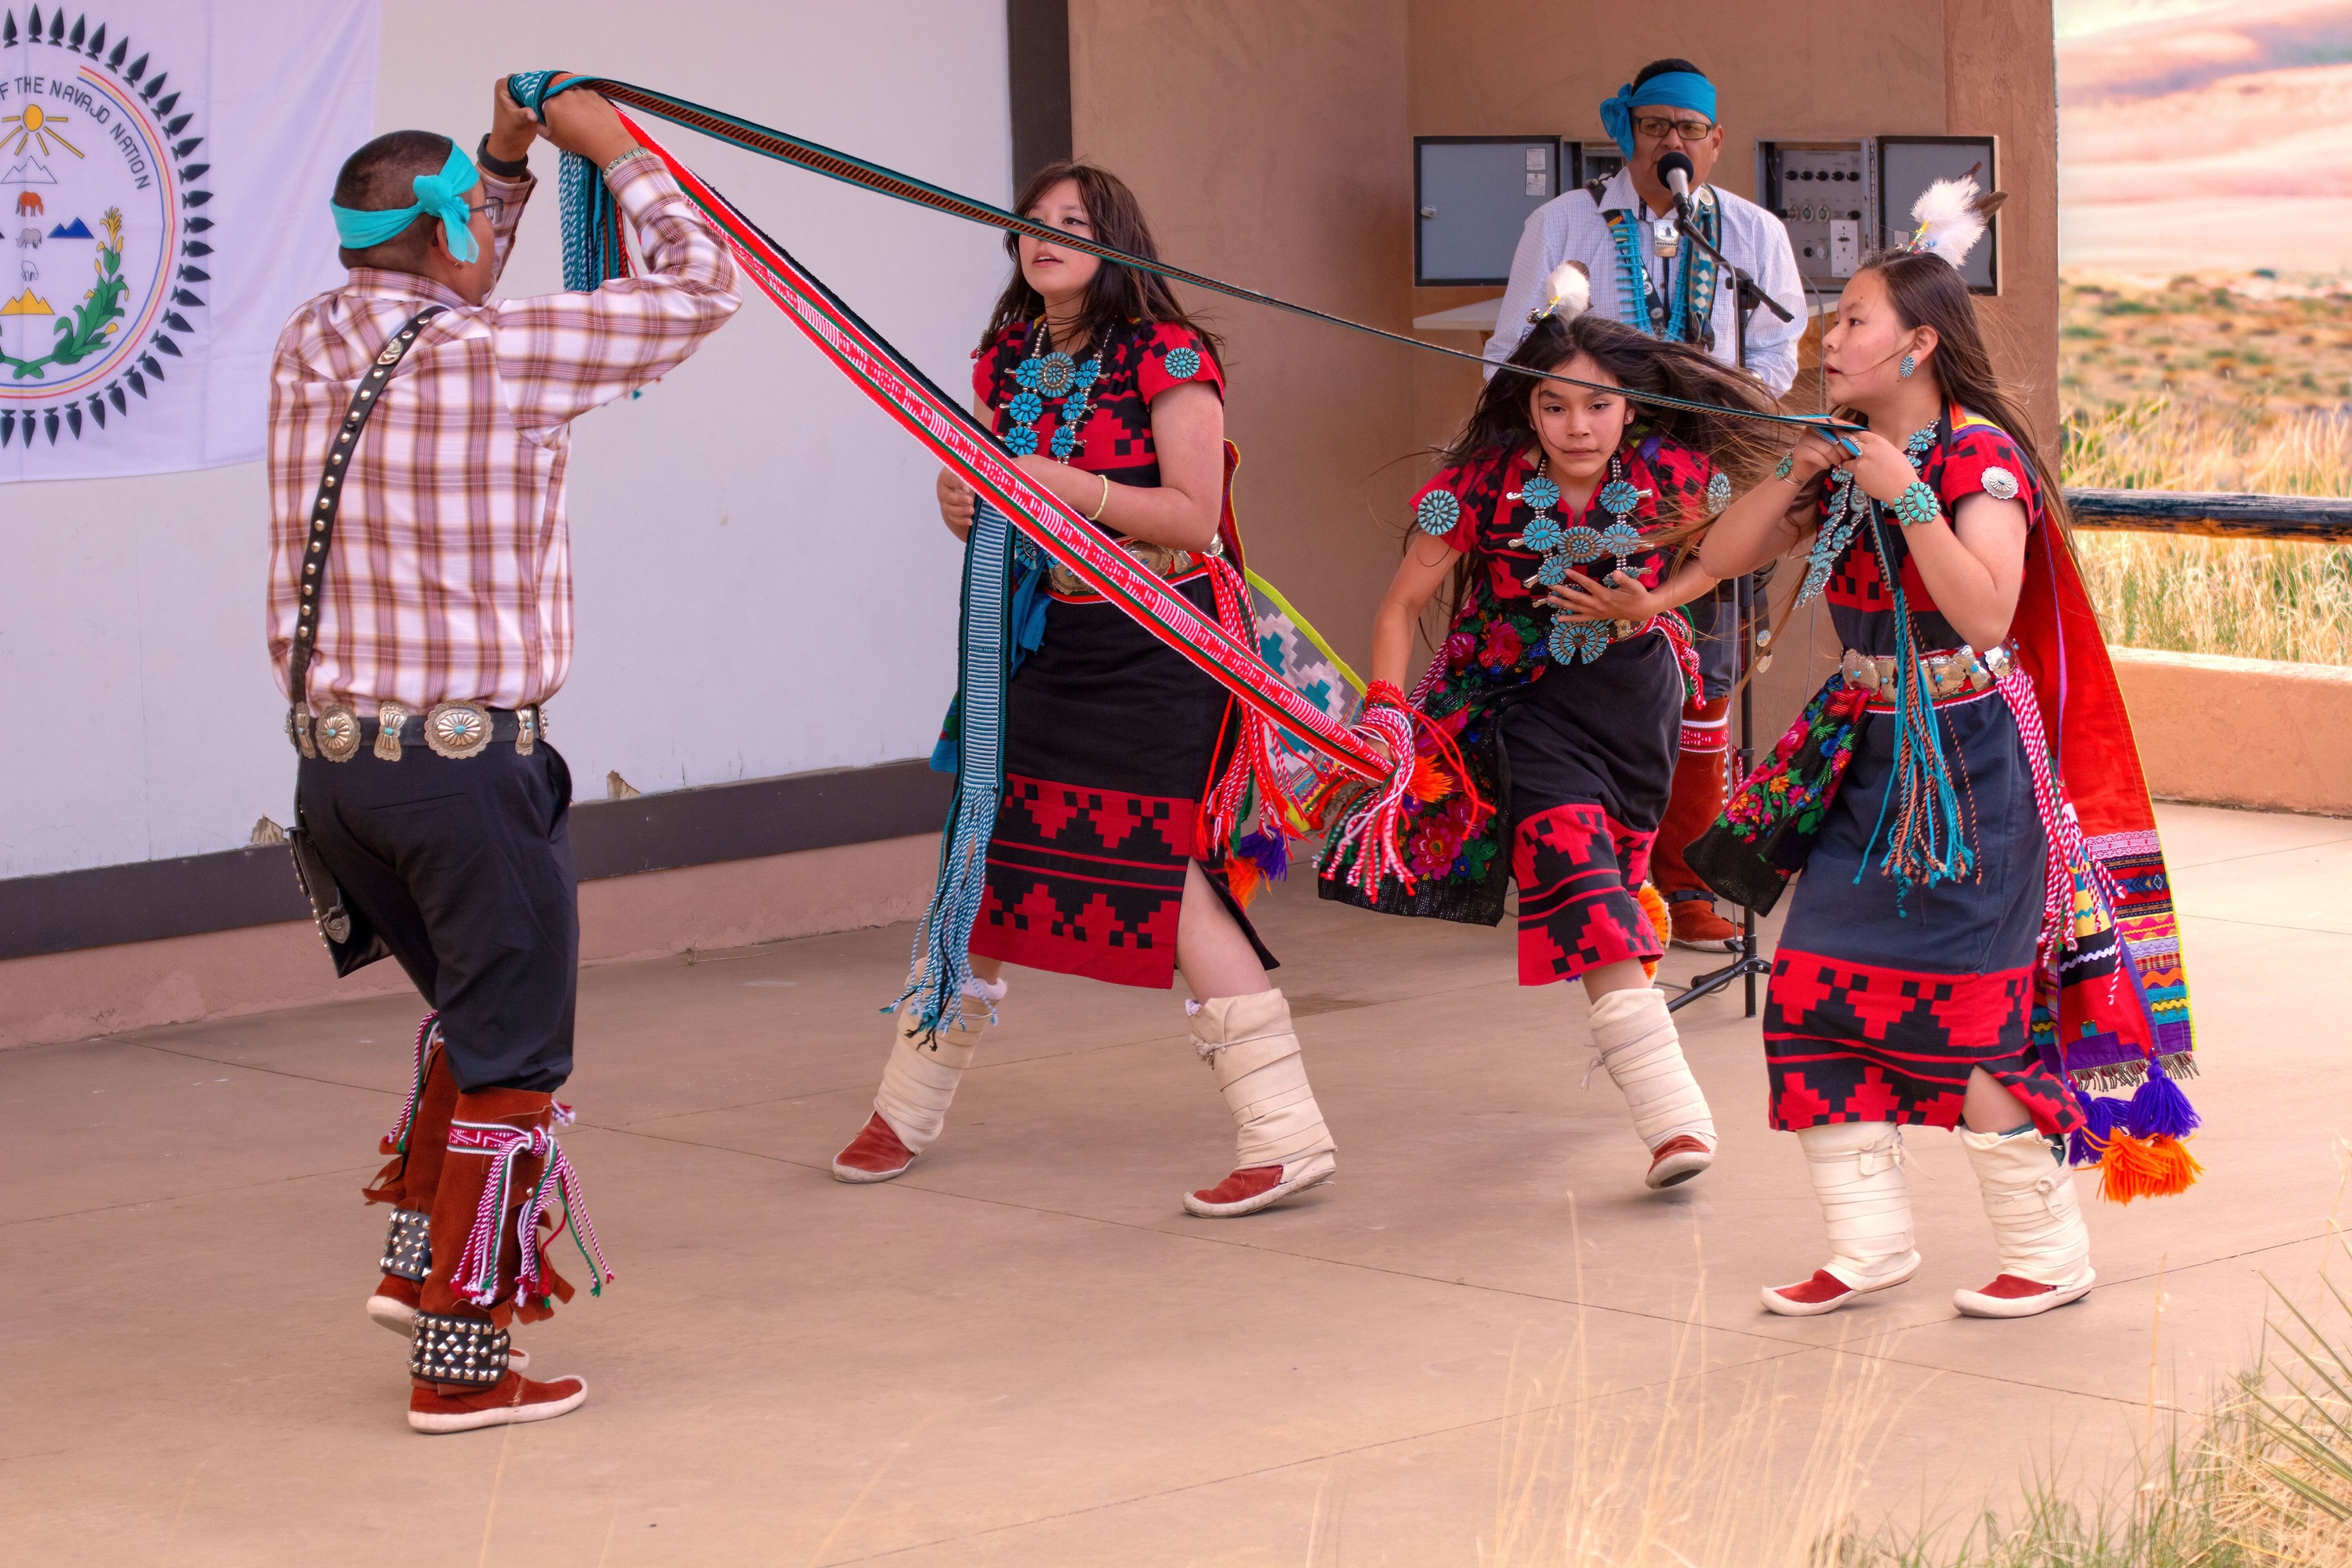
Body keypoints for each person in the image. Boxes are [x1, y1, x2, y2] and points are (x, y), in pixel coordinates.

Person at [267, 78, 739, 1431]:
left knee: (475, 1025)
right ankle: (461, 1362)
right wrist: (618, 152)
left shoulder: (316, 337)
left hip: (338, 781)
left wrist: (502, 165)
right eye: (478, 219)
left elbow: (451, 289)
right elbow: (703, 287)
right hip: (462, 775)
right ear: (449, 234)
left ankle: (419, 1273)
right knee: (519, 1054)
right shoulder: (488, 357)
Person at [1700, 180, 2199, 1319]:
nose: (1831, 341)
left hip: (1971, 762)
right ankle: (1868, 1248)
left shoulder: (1976, 462)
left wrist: (1908, 492)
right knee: (1816, 993)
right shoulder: (1845, 454)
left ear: (1920, 341)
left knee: (1963, 1015)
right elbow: (1732, 555)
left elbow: (1983, 613)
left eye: (1855, 322)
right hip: (1866, 757)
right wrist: (1797, 467)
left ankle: (2047, 1250)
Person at [829, 162, 1341, 1218]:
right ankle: (904, 1110)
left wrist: (1071, 494)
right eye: (1031, 222)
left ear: (1119, 242)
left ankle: (1286, 1137)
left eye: (1074, 221)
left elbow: (1196, 518)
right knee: (978, 852)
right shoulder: (1007, 356)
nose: (1046, 235)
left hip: (1159, 647)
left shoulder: (1167, 352)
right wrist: (962, 501)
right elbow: (985, 485)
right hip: (1042, 641)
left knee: (1167, 874)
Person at [1320, 265, 1776, 1191]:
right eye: (1556, 405)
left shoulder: (1679, 478)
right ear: (1528, 411)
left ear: (1630, 409)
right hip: (1519, 710)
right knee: (1568, 864)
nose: (1578, 425)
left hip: (1636, 707)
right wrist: (1383, 709)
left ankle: (1643, 1058)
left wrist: (1660, 596)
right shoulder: (1473, 489)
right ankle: (1674, 1117)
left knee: (1612, 892)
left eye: (1598, 406)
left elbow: (1744, 548)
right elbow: (1401, 608)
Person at [1492, 59, 1807, 956]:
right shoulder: (1561, 225)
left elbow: (1780, 356)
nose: (1673, 141)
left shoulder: (1750, 233)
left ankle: (1688, 878)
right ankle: (1580, 868)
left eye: (1690, 128)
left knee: (1704, 676)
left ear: (1716, 141)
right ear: (1627, 132)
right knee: (1576, 665)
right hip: (1587, 486)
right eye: (1656, 124)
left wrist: (1709, 416)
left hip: (1709, 486)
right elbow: (1510, 350)